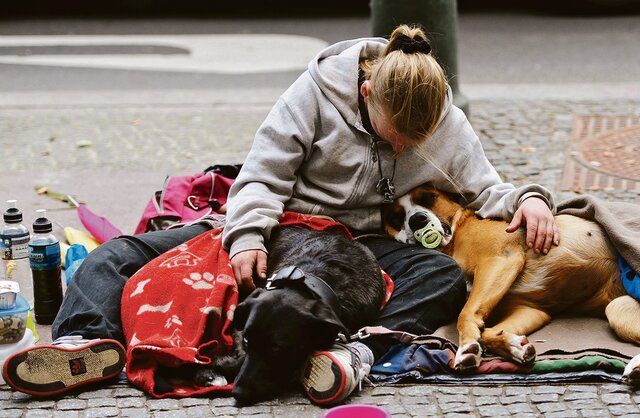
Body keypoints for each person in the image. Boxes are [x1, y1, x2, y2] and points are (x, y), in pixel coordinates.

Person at [2, 25, 560, 405]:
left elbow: (485, 187)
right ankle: (85, 345)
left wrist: (530, 199)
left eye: (417, 141)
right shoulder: (313, 95)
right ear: (366, 92)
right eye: (396, 138)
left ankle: (355, 352)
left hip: (358, 244)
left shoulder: (440, 118)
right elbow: (261, 178)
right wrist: (246, 237)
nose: (406, 149)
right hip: (278, 226)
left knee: (439, 274)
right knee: (116, 254)